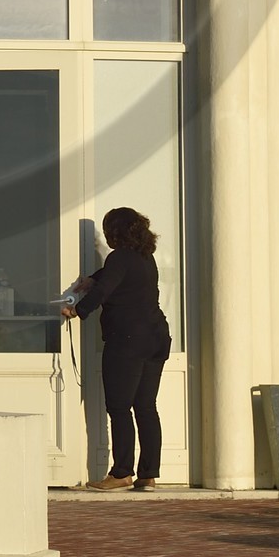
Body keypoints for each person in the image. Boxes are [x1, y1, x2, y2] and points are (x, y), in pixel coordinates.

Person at [62, 207, 171, 490]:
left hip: (128, 340)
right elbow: (113, 275)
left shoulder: (119, 257)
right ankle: (148, 474)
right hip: (157, 337)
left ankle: (122, 472)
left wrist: (77, 310)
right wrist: (93, 278)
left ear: (115, 233)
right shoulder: (145, 258)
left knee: (120, 407)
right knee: (146, 406)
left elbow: (104, 290)